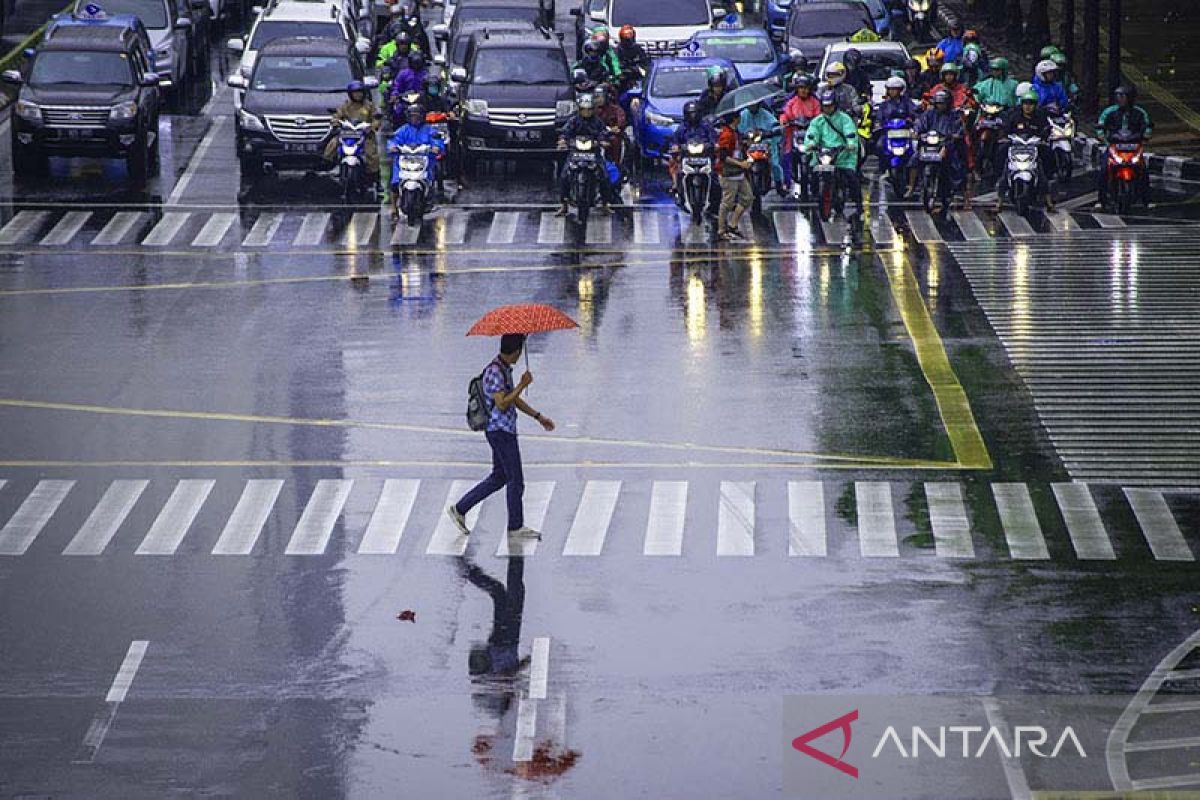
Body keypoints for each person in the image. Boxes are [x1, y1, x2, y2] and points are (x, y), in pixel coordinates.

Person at [449, 333, 555, 540]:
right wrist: (522, 386)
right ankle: (515, 526)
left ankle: (460, 508)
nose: (519, 355)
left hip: (504, 429)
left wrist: (538, 416)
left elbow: (513, 400)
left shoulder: (504, 369)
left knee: (500, 477)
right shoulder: (495, 372)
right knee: (516, 479)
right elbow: (502, 402)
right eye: (520, 351)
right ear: (514, 351)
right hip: (500, 431)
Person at [462, 555, 526, 678]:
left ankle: (516, 555)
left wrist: (523, 664)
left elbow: (508, 673)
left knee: (511, 592)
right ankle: (470, 572)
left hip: (506, 642)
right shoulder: (498, 685)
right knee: (501, 593)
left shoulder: (501, 686)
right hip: (501, 643)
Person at [556, 94, 618, 215]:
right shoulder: (573, 120)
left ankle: (605, 203)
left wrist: (603, 141)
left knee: (604, 176)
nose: (586, 112)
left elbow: (603, 132)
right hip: (575, 153)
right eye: (584, 109)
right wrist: (563, 140)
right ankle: (564, 204)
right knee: (564, 176)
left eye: (589, 109)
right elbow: (565, 131)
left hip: (593, 153)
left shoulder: (597, 121)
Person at [803, 89, 861, 216]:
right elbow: (812, 134)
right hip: (823, 155)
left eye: (830, 106)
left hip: (842, 155)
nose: (827, 108)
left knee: (852, 177)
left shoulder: (844, 119)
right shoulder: (818, 121)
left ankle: (859, 205)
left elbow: (850, 132)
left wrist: (850, 143)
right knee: (810, 173)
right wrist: (811, 144)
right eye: (825, 106)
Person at [1095, 84, 1153, 207]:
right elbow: (1100, 126)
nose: (1120, 99)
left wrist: (1146, 135)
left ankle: (1146, 200)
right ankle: (1101, 200)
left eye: (1123, 96)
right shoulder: (1109, 112)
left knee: (1143, 172)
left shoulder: (1140, 113)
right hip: (1115, 147)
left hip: (1133, 147)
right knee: (1104, 171)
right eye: (1118, 96)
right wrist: (1101, 136)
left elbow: (1147, 126)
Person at [995, 89, 1052, 211]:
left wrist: (1044, 140)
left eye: (1031, 104)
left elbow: (1046, 130)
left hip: (1033, 150)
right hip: (1015, 149)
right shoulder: (1014, 117)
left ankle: (1049, 201)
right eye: (1025, 103)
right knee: (1004, 166)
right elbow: (1005, 130)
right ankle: (999, 202)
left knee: (1043, 168)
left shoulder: (1040, 117)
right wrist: (1004, 138)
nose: (1028, 106)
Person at [387, 103, 445, 220]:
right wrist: (393, 147)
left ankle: (429, 196)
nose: (415, 119)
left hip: (424, 161)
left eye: (417, 116)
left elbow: (437, 141)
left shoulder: (430, 130)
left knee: (432, 174)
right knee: (394, 182)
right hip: (405, 161)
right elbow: (393, 140)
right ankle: (394, 208)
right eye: (412, 116)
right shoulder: (403, 130)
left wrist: (437, 147)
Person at [914, 89, 967, 213]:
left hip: (947, 145)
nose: (940, 106)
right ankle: (913, 184)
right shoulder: (929, 114)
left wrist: (955, 136)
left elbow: (959, 130)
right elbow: (920, 124)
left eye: (943, 103)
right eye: (938, 103)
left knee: (955, 165)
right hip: (930, 145)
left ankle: (954, 191)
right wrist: (916, 132)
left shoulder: (954, 116)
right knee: (913, 159)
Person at [669, 99, 719, 209]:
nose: (693, 116)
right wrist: (675, 147)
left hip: (705, 158)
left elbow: (714, 138)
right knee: (679, 174)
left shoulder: (706, 126)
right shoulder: (682, 128)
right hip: (687, 159)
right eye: (690, 113)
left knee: (714, 177)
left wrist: (714, 144)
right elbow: (675, 141)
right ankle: (680, 194)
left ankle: (715, 200)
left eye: (695, 113)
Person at [325, 80, 381, 178]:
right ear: (350, 94)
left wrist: (372, 126)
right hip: (347, 134)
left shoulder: (369, 106)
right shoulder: (346, 105)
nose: (358, 95)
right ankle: (333, 165)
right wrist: (336, 123)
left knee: (371, 152)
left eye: (360, 92)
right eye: (355, 93)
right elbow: (337, 116)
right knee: (333, 144)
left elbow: (376, 118)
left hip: (364, 135)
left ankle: (375, 177)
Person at [780, 74, 820, 193]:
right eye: (801, 88)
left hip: (810, 134)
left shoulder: (815, 102)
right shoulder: (791, 102)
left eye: (806, 88)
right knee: (786, 156)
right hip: (794, 133)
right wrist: (784, 120)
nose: (803, 90)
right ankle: (787, 182)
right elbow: (785, 114)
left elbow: (818, 116)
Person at [716, 113, 753, 241]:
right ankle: (721, 230)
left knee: (747, 197)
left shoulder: (736, 132)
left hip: (739, 173)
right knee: (727, 203)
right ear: (735, 119)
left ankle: (733, 224)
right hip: (728, 174)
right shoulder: (726, 134)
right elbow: (723, 156)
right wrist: (740, 164)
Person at [874, 75, 917, 175]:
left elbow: (915, 114)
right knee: (880, 145)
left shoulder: (907, 102)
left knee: (914, 148)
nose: (892, 92)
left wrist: (912, 121)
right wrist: (878, 125)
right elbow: (879, 118)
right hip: (888, 133)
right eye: (890, 89)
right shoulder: (884, 105)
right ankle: (883, 167)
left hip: (905, 132)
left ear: (901, 90)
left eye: (895, 89)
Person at [739, 100, 784, 193]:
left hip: (766, 145)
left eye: (754, 104)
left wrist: (772, 132)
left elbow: (775, 126)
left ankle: (779, 185)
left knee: (775, 164)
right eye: (750, 104)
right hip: (749, 146)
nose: (752, 106)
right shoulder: (743, 115)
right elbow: (737, 128)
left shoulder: (766, 114)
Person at [594, 85, 627, 167]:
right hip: (594, 135)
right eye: (596, 97)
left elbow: (621, 121)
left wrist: (616, 127)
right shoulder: (590, 110)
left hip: (609, 135)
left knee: (615, 140)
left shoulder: (615, 109)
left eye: (601, 96)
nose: (598, 99)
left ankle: (616, 165)